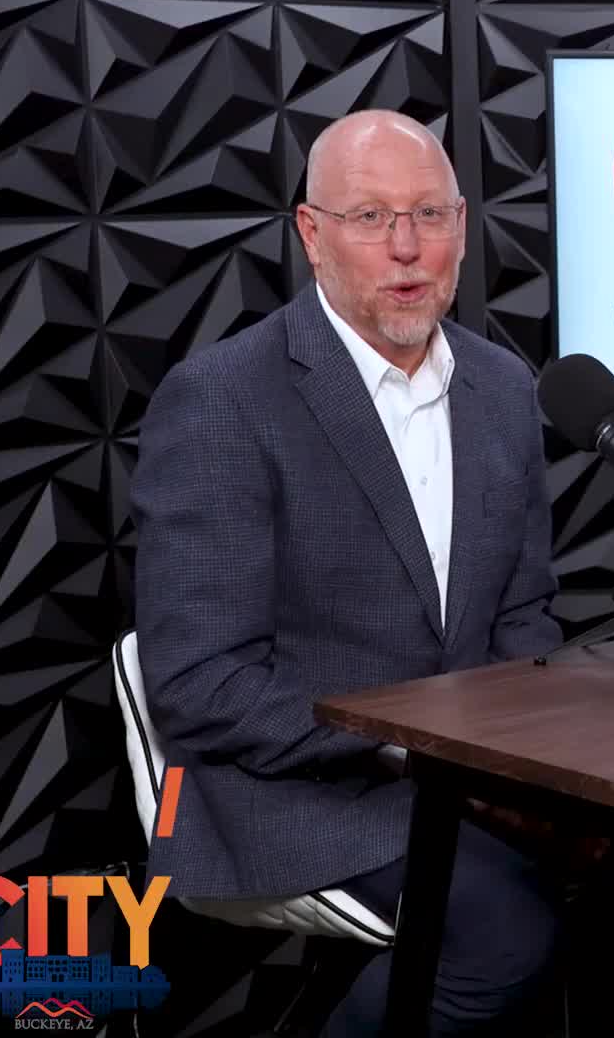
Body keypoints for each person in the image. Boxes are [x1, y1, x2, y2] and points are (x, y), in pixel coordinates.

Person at [130, 109, 569, 1036]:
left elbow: (524, 620)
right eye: (370, 218)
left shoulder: (504, 389)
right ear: (313, 234)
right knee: (505, 935)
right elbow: (201, 685)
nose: (406, 248)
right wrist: (413, 748)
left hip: (458, 782)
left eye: (429, 215)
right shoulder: (222, 399)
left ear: (462, 227)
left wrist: (524, 764)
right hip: (290, 790)